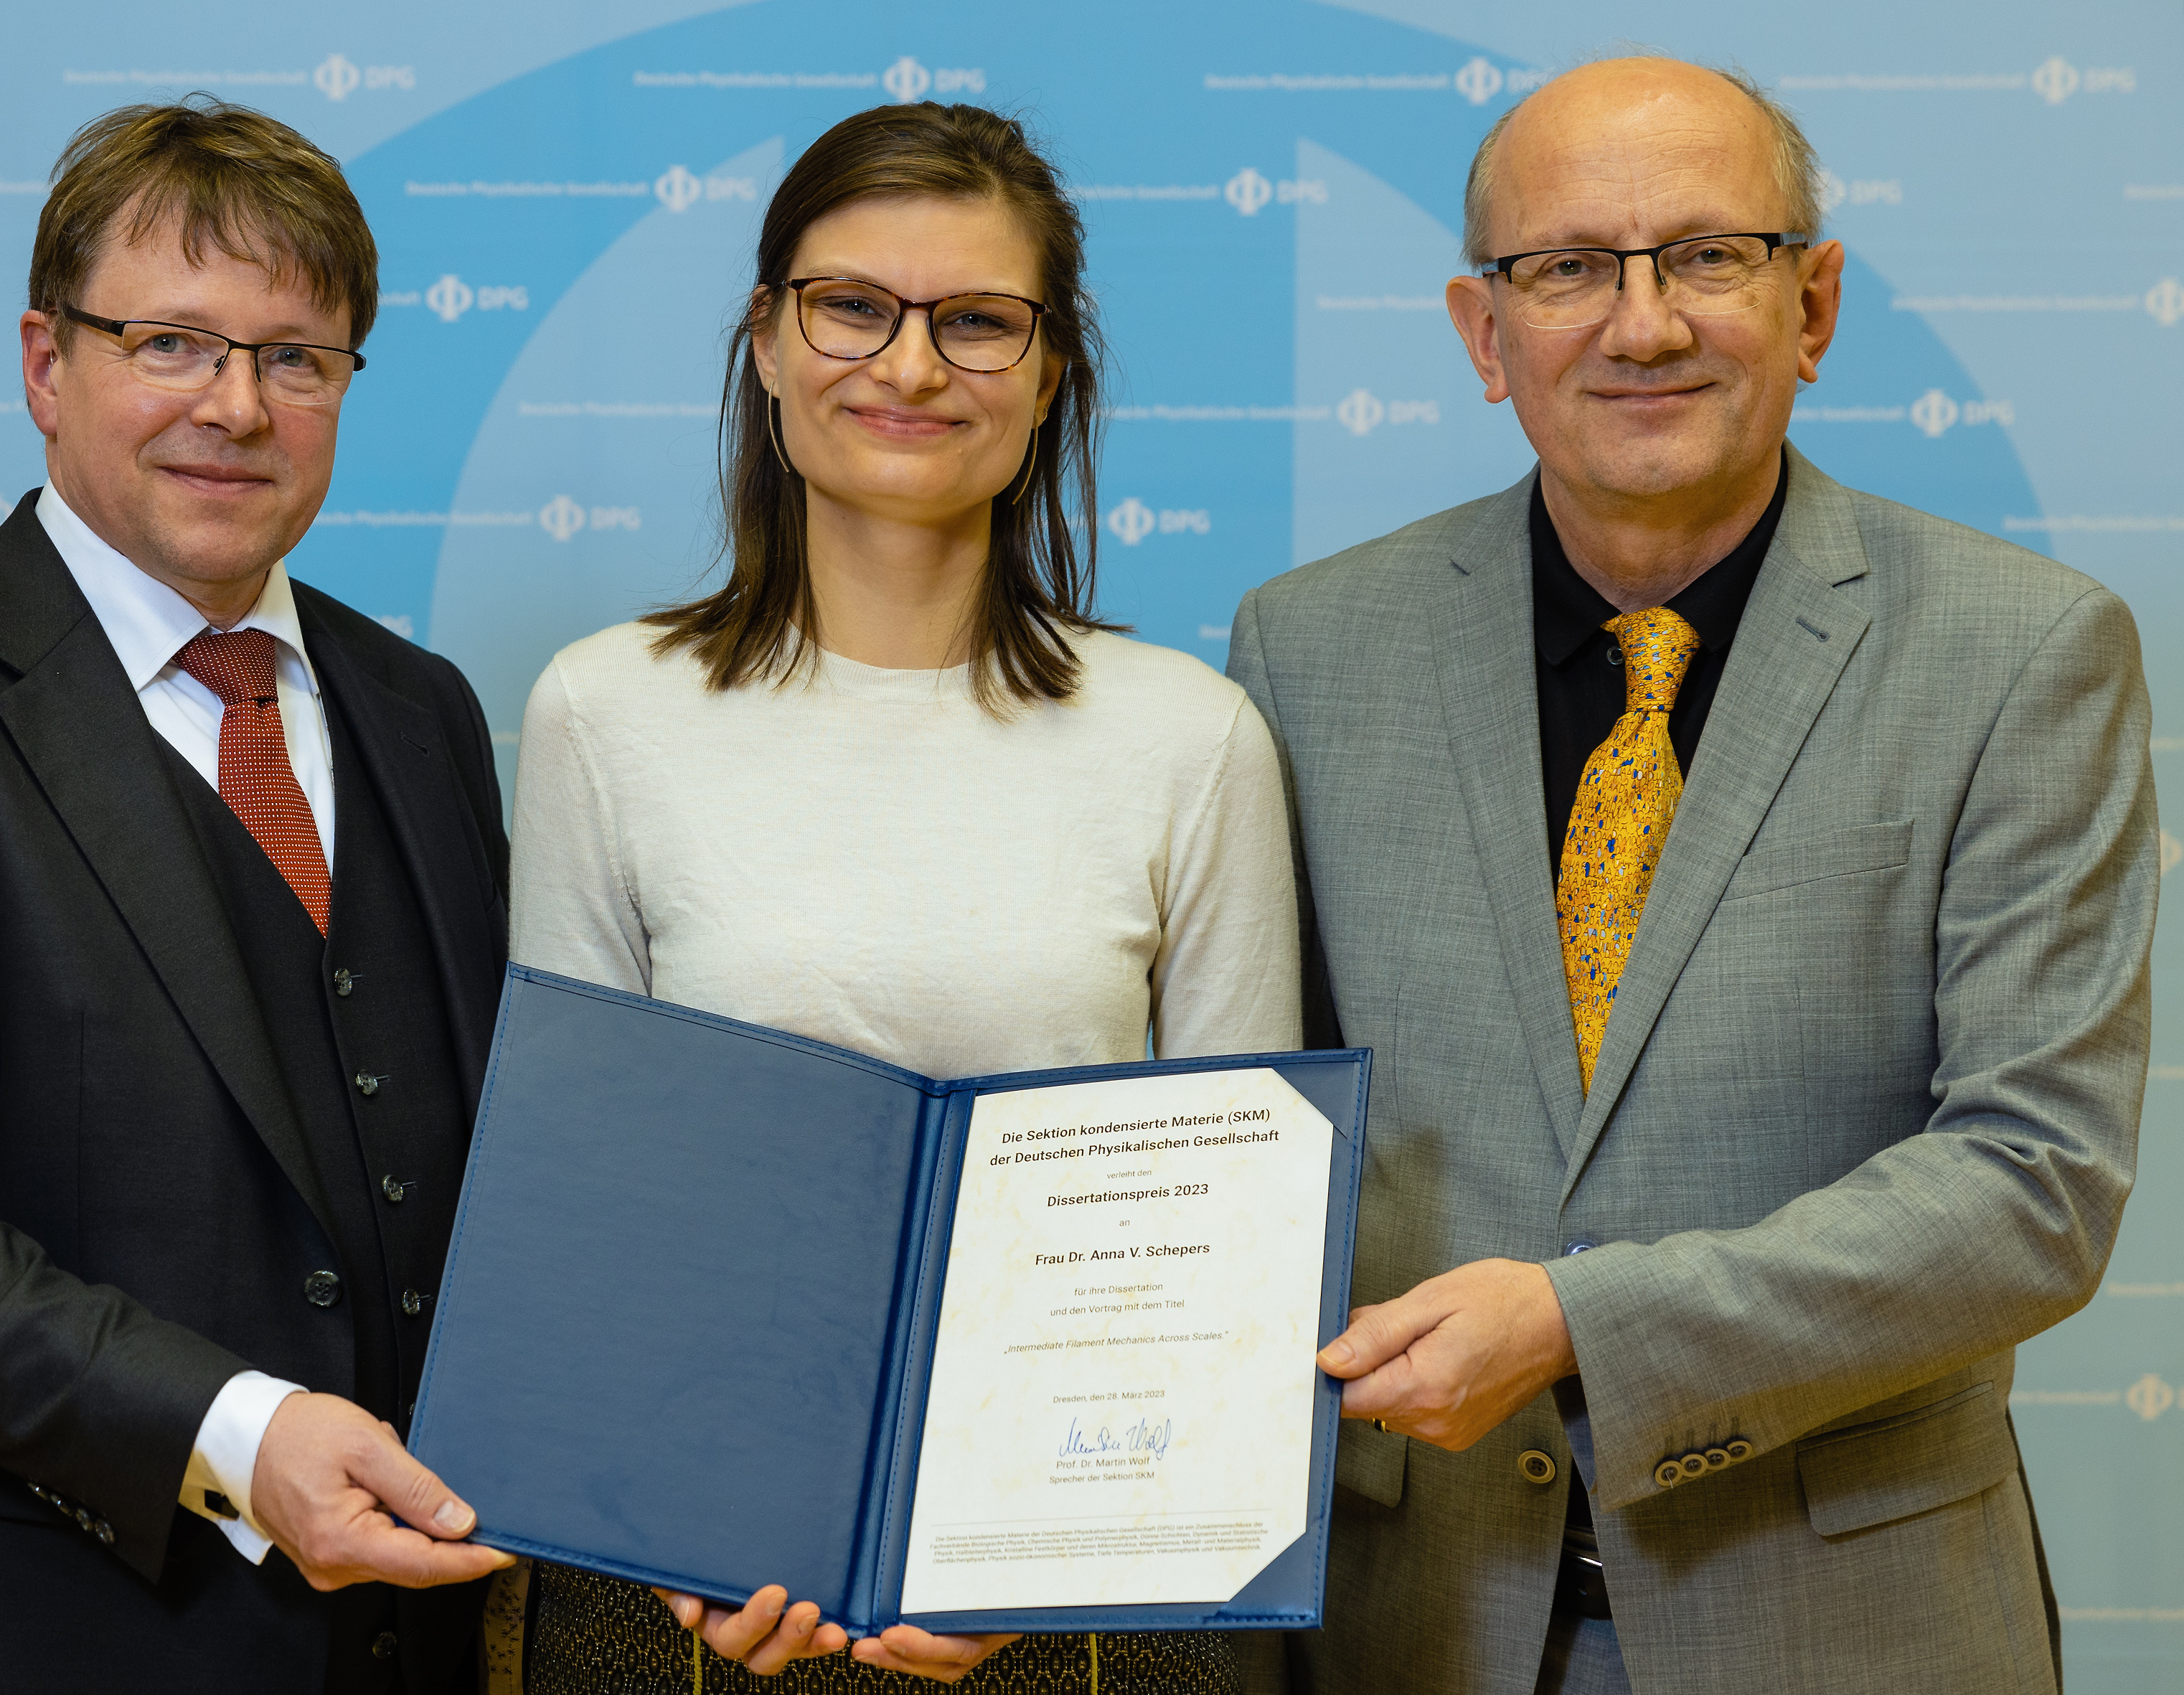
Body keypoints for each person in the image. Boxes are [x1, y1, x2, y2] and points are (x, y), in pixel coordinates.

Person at [1229, 56, 2155, 1695]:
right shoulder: (1307, 649)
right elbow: (1243, 1139)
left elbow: (2033, 1183)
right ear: (1482, 334)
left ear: (1814, 306)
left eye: (1709, 257)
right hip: (1406, 1623)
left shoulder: (2025, 652)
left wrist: (1582, 1320)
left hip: (1845, 1627)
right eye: (1568, 268)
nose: (1642, 325)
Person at [0, 98, 518, 1694]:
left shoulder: (422, 711)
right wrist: (239, 1431)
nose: (237, 405)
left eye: (296, 358)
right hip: (4, 1635)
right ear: (44, 366)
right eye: (172, 343)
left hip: (403, 1637)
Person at [507, 102, 1299, 1691]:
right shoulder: (602, 709)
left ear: (1049, 369)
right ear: (767, 339)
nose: (912, 366)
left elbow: (1237, 1247)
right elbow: (587, 1210)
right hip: (692, 1579)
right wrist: (702, 1529)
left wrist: (1039, 1556)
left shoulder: (1189, 734)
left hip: (1084, 1589)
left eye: (977, 321)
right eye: (852, 306)